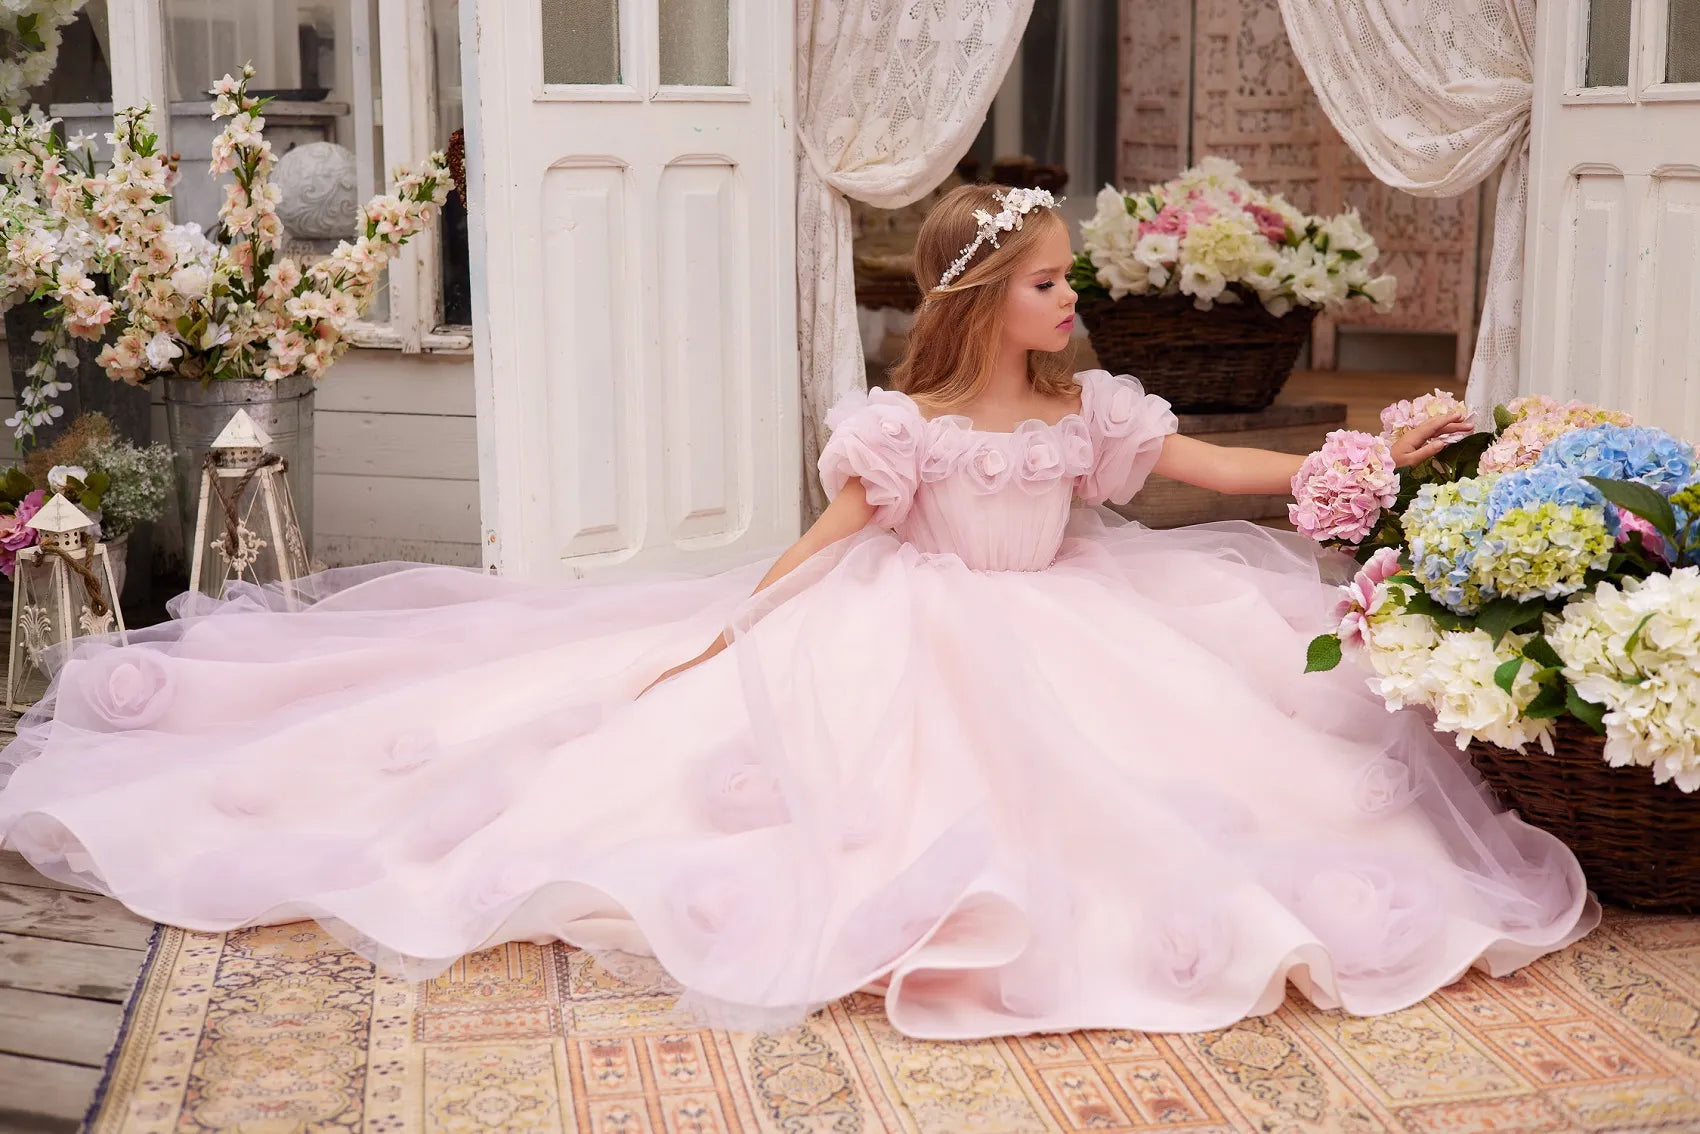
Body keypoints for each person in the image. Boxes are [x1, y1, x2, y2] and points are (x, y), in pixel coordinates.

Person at [0, 184, 1596, 1040]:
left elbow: (1215, 464)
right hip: (914, 622)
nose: (1072, 300)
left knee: (1223, 756)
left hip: (1079, 615)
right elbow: (825, 539)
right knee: (808, 774)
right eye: (1047, 282)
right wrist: (727, 632)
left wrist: (1368, 445)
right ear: (984, 301)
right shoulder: (901, 432)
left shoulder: (1085, 409)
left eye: (1065, 281)